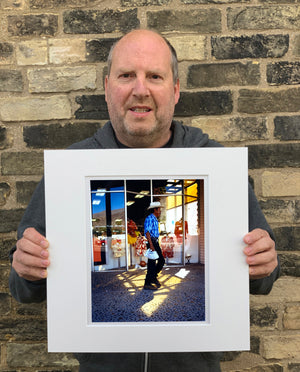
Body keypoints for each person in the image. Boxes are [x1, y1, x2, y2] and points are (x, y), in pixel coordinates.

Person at [9, 29, 279, 372]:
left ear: (175, 89)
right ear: (107, 87)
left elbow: (265, 278)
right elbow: (23, 290)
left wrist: (264, 263)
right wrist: (27, 270)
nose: (141, 89)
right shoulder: (70, 171)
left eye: (155, 76)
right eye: (126, 76)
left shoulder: (216, 166)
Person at [143, 201, 165, 290]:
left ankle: (153, 277)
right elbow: (147, 232)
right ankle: (147, 283)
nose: (160, 211)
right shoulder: (150, 218)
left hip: (155, 242)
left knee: (161, 260)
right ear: (155, 209)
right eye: (159, 209)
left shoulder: (155, 219)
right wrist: (151, 245)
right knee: (152, 263)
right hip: (152, 242)